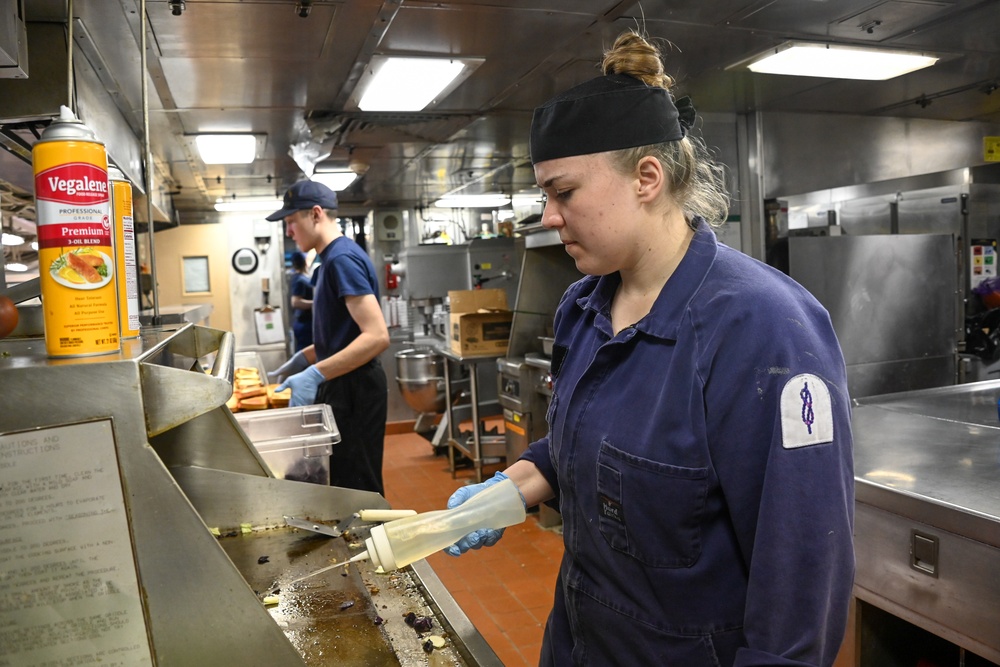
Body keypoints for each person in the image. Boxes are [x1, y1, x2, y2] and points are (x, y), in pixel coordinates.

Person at [443, 30, 855, 667]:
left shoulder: (764, 331)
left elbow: (801, 580)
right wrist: (511, 488)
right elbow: (583, 446)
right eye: (543, 195)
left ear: (646, 178)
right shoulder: (584, 308)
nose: (548, 216)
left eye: (565, 192)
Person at [266, 180, 390, 495]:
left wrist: (316, 372)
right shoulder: (328, 261)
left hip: (355, 389)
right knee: (341, 480)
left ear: (316, 214)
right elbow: (342, 334)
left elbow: (376, 336)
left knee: (358, 488)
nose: (289, 231)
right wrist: (305, 358)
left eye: (291, 222)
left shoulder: (341, 259)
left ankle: (371, 544)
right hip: (342, 383)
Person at [288, 250, 314, 351]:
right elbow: (296, 302)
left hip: (307, 322)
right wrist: (316, 303)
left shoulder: (303, 277)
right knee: (305, 354)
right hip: (304, 323)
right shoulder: (299, 279)